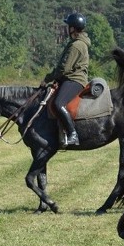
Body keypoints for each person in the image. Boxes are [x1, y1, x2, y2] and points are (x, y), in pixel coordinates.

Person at [43, 12, 91, 147]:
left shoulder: (77, 45)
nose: (66, 28)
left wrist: (47, 79)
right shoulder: (76, 43)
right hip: (69, 79)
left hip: (75, 80)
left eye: (68, 26)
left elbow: (64, 68)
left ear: (73, 28)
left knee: (58, 104)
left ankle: (73, 134)